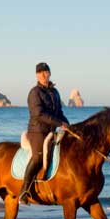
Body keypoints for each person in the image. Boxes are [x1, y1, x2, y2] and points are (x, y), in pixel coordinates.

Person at [19, 62, 70, 205]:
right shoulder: (35, 92)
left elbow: (59, 112)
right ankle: (24, 190)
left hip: (52, 129)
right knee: (38, 158)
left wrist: (68, 126)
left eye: (45, 71)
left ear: (49, 73)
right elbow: (39, 114)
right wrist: (59, 123)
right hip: (38, 130)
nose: (43, 74)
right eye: (40, 72)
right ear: (36, 75)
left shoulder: (55, 92)